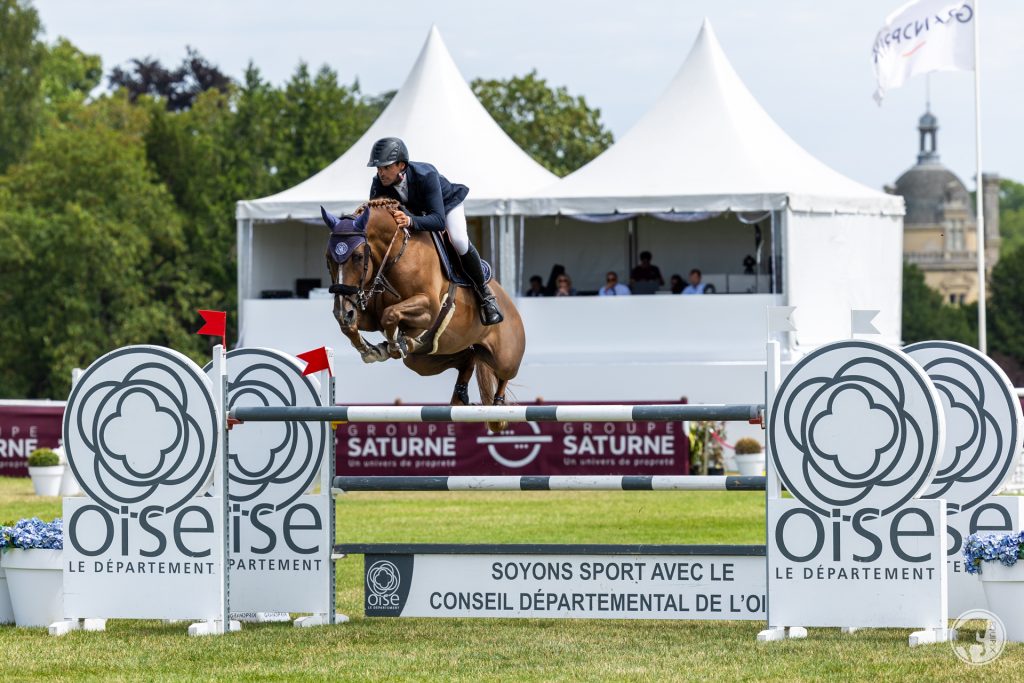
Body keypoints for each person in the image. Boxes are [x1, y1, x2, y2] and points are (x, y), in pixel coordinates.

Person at [365, 137, 503, 325]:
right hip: (414, 213)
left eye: (386, 167)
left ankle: (486, 295)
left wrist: (411, 220)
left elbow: (438, 220)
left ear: (401, 165)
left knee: (459, 240)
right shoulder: (378, 184)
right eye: (378, 168)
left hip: (446, 206)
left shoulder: (426, 175)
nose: (381, 173)